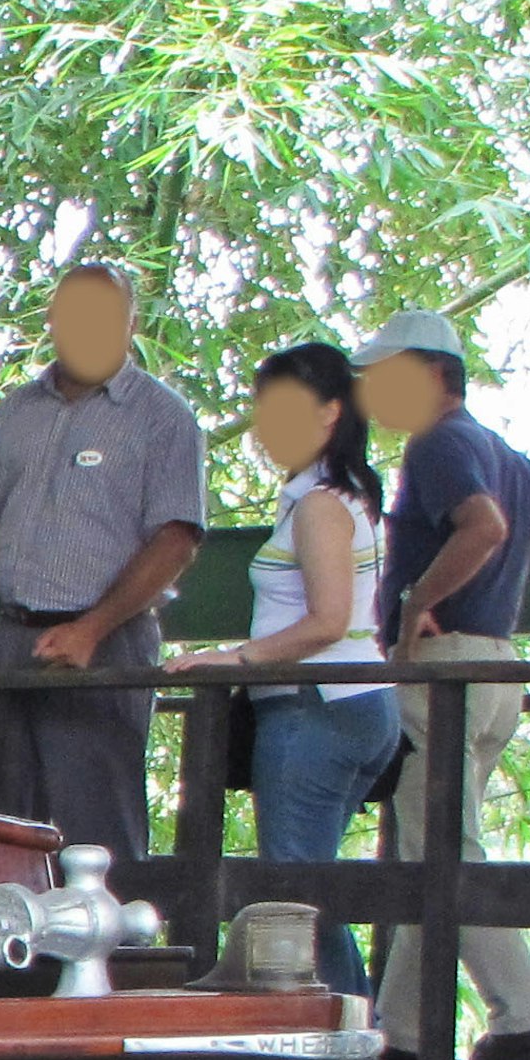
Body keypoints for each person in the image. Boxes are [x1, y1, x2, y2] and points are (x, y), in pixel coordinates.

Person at [0, 262, 208, 855]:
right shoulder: (17, 411)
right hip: (12, 639)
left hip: (107, 645)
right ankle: (13, 946)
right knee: (1, 828)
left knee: (96, 832)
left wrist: (91, 629)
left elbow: (177, 540)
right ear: (51, 320)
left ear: (131, 326)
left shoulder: (163, 417)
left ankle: (111, 950)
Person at [167, 343, 400, 996]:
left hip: (314, 704)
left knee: (293, 885)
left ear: (329, 414)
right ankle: (354, 1028)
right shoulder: (330, 497)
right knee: (308, 882)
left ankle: (338, 1037)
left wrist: (235, 657)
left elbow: (327, 620)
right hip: (341, 703)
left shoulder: (321, 504)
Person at [357, 309, 530, 1060]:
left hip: (446, 669)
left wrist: (412, 604)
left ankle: (526, 1014)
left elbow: (485, 528)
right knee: (422, 853)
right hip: (496, 666)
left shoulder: (439, 444)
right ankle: (398, 1033)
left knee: (442, 850)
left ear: (432, 373)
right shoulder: (502, 452)